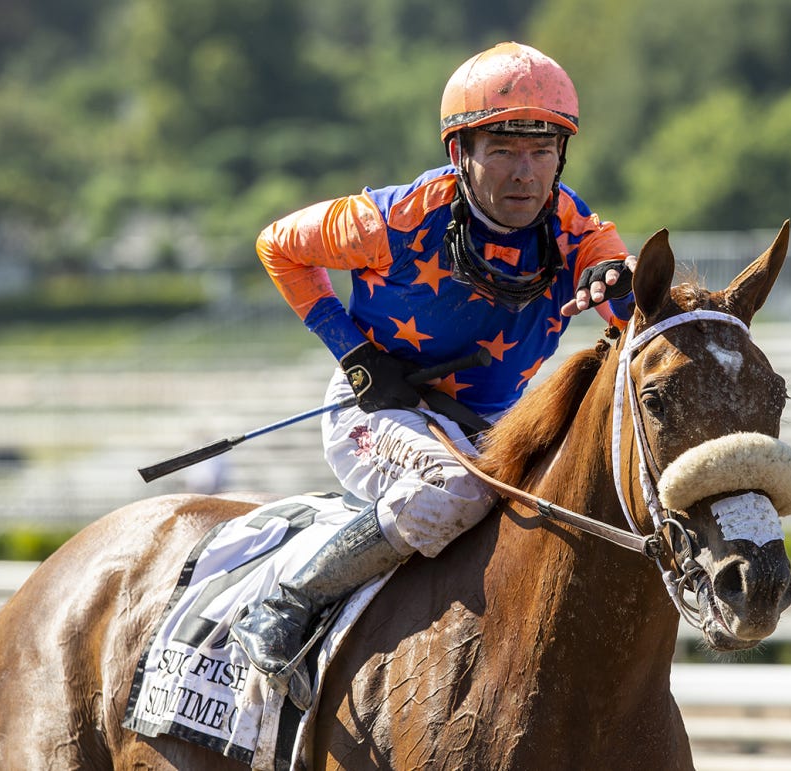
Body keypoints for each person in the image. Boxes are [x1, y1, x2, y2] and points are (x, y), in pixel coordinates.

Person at [230, 42, 638, 699]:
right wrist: (356, 356)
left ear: (562, 155)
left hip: (490, 427)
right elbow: (277, 244)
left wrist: (622, 283)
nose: (524, 174)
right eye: (501, 150)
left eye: (542, 152)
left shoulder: (579, 230)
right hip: (378, 407)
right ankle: (287, 601)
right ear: (459, 153)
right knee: (457, 488)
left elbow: (628, 303)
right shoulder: (388, 219)